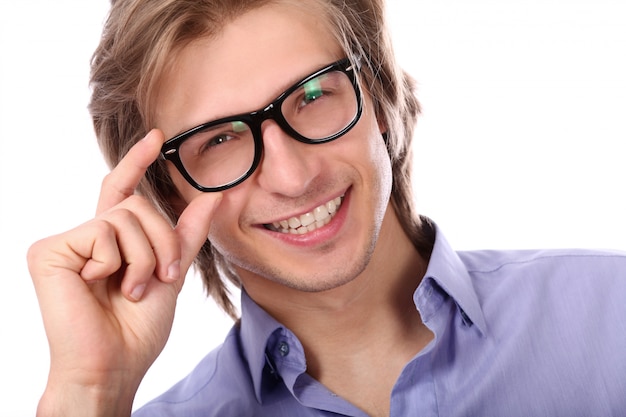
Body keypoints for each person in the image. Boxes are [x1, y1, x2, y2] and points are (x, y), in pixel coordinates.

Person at [27, 0, 626, 416]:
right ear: (165, 196)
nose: (292, 177)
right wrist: (89, 393)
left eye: (312, 96)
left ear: (382, 94)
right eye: (219, 139)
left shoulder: (611, 314)